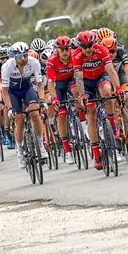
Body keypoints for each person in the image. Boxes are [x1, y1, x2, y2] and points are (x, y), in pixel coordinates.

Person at [72, 30, 121, 170]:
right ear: (80, 45)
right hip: (86, 82)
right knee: (91, 113)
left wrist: (117, 89)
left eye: (90, 46)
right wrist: (82, 95)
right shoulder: (76, 54)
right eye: (84, 46)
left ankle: (112, 125)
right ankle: (97, 156)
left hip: (100, 77)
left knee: (107, 92)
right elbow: (79, 77)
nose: (88, 49)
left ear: (94, 43)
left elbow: (111, 70)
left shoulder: (101, 50)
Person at [1, 42, 48, 169]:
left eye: (25, 55)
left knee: (35, 112)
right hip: (13, 92)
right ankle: (20, 151)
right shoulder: (7, 67)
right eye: (19, 56)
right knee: (19, 120)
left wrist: (42, 100)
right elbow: (4, 92)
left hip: (27, 89)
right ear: (14, 56)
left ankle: (41, 145)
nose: (23, 58)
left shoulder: (34, 62)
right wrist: (10, 108)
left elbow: (39, 84)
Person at [101, 35, 128, 145]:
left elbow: (127, 69)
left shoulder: (121, 52)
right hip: (107, 78)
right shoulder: (101, 56)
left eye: (113, 51)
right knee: (112, 102)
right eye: (108, 52)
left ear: (116, 48)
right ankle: (116, 131)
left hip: (121, 75)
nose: (111, 54)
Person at [47, 36, 77, 164]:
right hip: (58, 85)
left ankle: (83, 124)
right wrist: (54, 98)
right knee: (62, 114)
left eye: (67, 49)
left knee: (76, 92)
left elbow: (79, 74)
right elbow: (50, 83)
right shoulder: (52, 60)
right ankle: (67, 151)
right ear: (57, 50)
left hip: (71, 81)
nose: (65, 52)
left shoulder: (74, 55)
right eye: (62, 49)